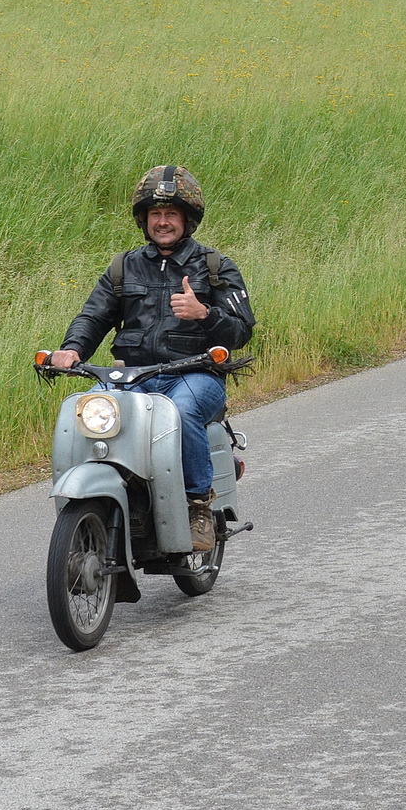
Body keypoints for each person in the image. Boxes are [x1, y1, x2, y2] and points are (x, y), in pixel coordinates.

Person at [48, 165, 255, 553]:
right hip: (133, 375)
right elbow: (94, 316)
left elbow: (242, 330)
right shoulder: (123, 267)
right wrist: (72, 349)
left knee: (180, 411)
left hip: (194, 374)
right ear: (144, 220)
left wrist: (205, 315)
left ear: (187, 220)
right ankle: (90, 504)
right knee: (84, 409)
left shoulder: (215, 268)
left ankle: (197, 505)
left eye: (171, 214)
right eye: (155, 214)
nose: (162, 222)